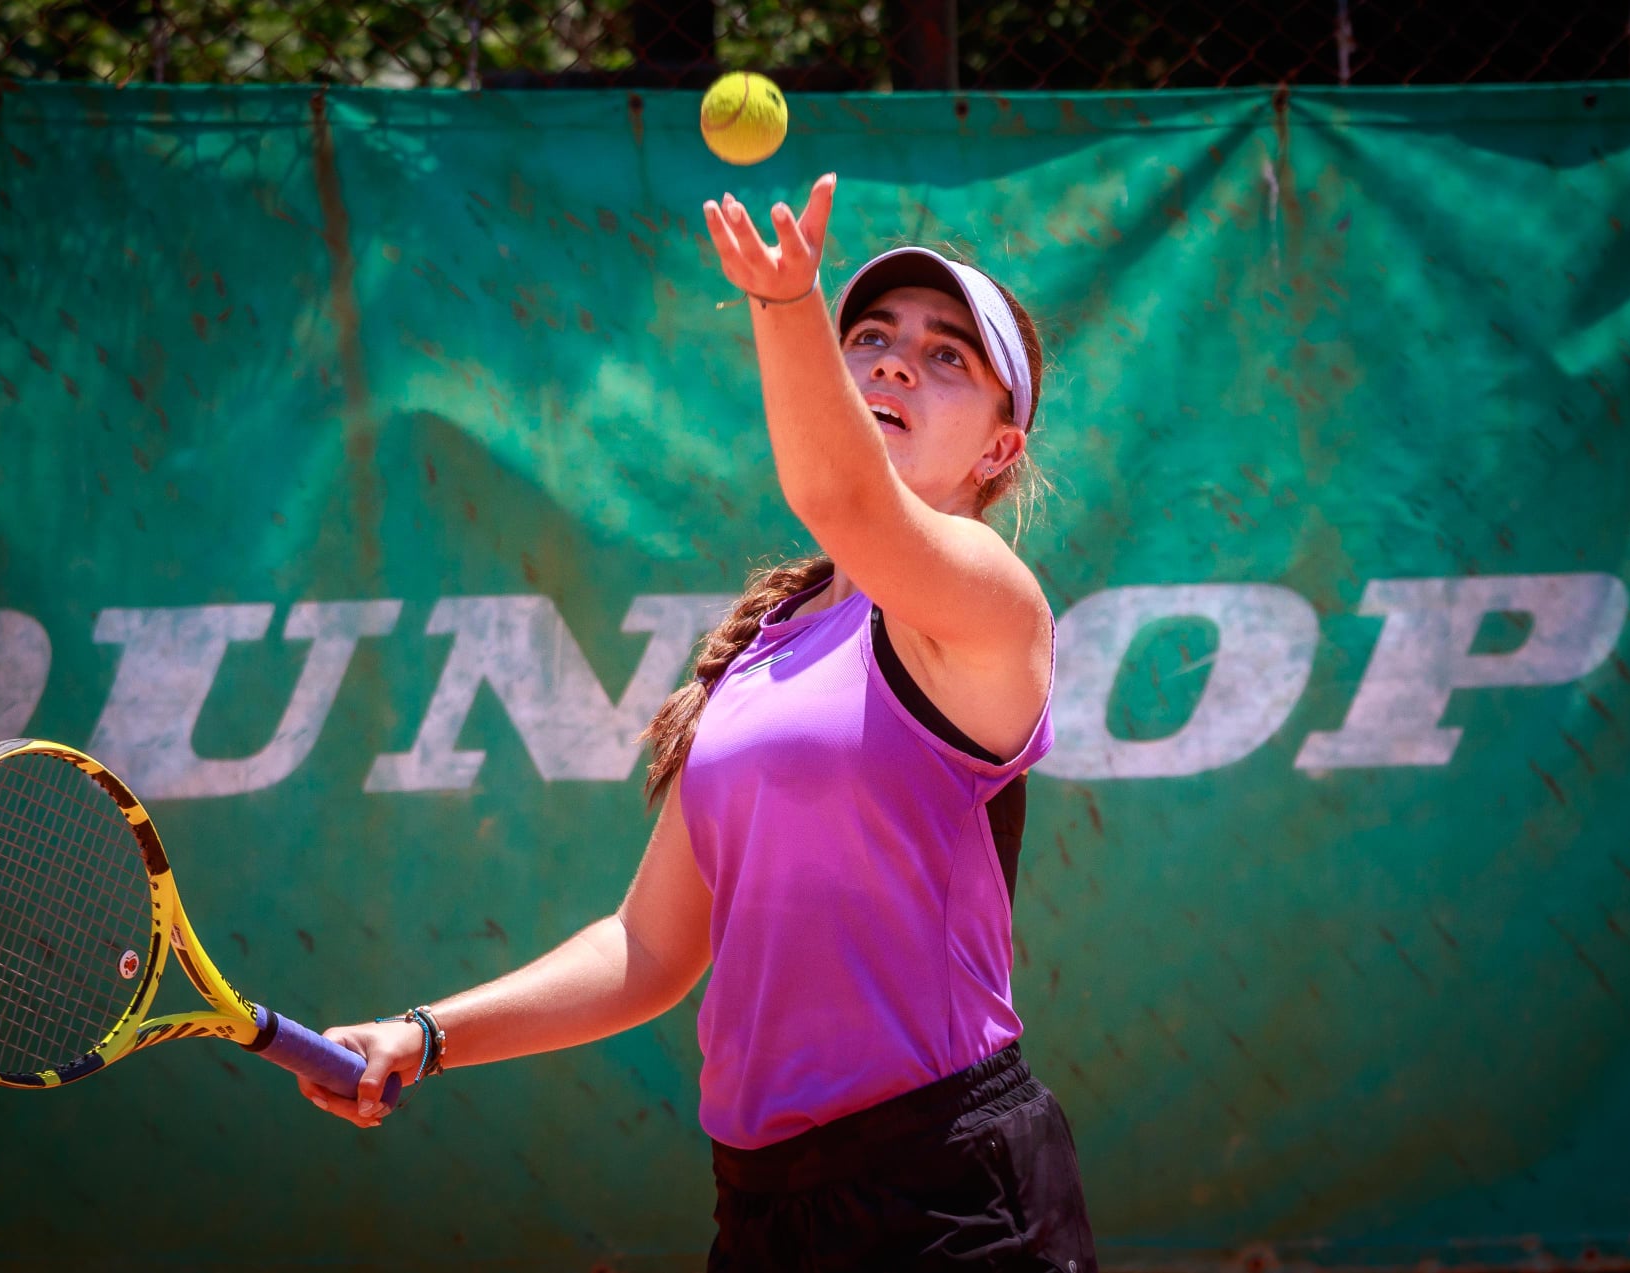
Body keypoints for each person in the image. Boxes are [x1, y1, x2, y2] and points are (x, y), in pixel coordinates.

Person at [298, 172, 1096, 1271]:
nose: (896, 359)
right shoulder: (770, 641)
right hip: (764, 1206)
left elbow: (845, 500)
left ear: (1000, 452)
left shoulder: (992, 605)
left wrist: (787, 305)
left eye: (948, 355)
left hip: (946, 1196)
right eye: (870, 336)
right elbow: (651, 948)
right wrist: (428, 1034)